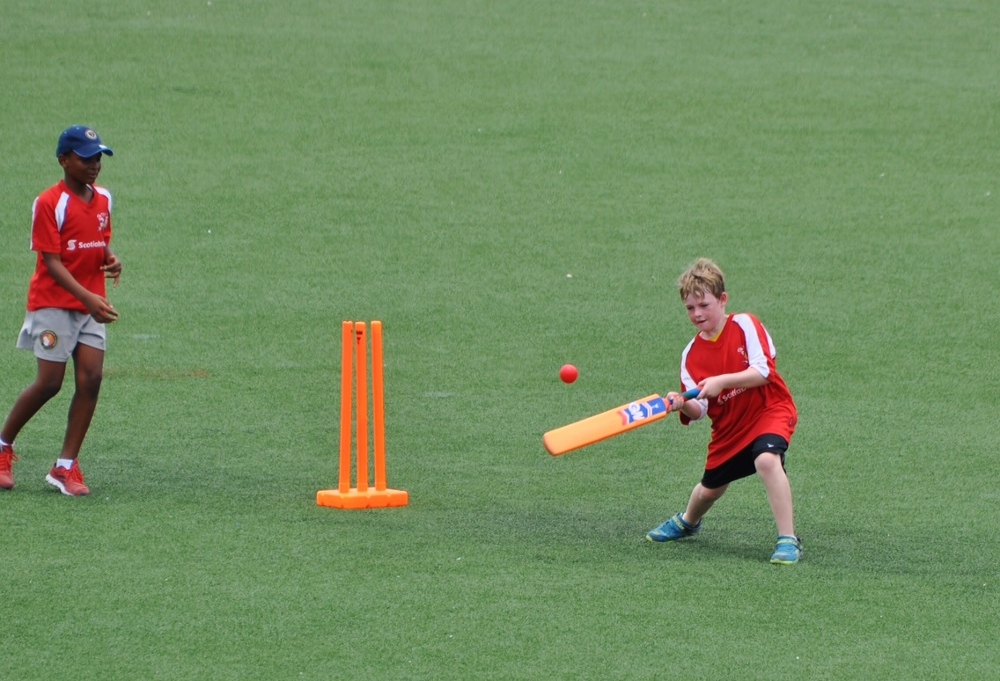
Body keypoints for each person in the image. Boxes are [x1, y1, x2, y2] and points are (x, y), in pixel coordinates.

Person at [646, 258, 802, 564]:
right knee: (709, 491)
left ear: (723, 300)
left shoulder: (745, 325)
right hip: (729, 430)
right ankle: (688, 522)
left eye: (704, 305)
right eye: (690, 308)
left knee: (767, 459)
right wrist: (681, 402)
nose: (697, 314)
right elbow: (699, 410)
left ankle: (788, 540)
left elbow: (764, 372)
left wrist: (721, 381)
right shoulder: (690, 355)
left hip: (769, 410)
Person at [0, 125, 122, 496]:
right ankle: (3, 447)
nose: (94, 165)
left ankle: (64, 467)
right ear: (64, 160)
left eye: (98, 157)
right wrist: (87, 297)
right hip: (54, 304)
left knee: (91, 379)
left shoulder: (103, 198)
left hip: (90, 304)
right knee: (50, 383)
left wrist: (109, 259)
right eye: (86, 158)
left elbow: (96, 240)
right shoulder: (50, 202)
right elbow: (51, 261)